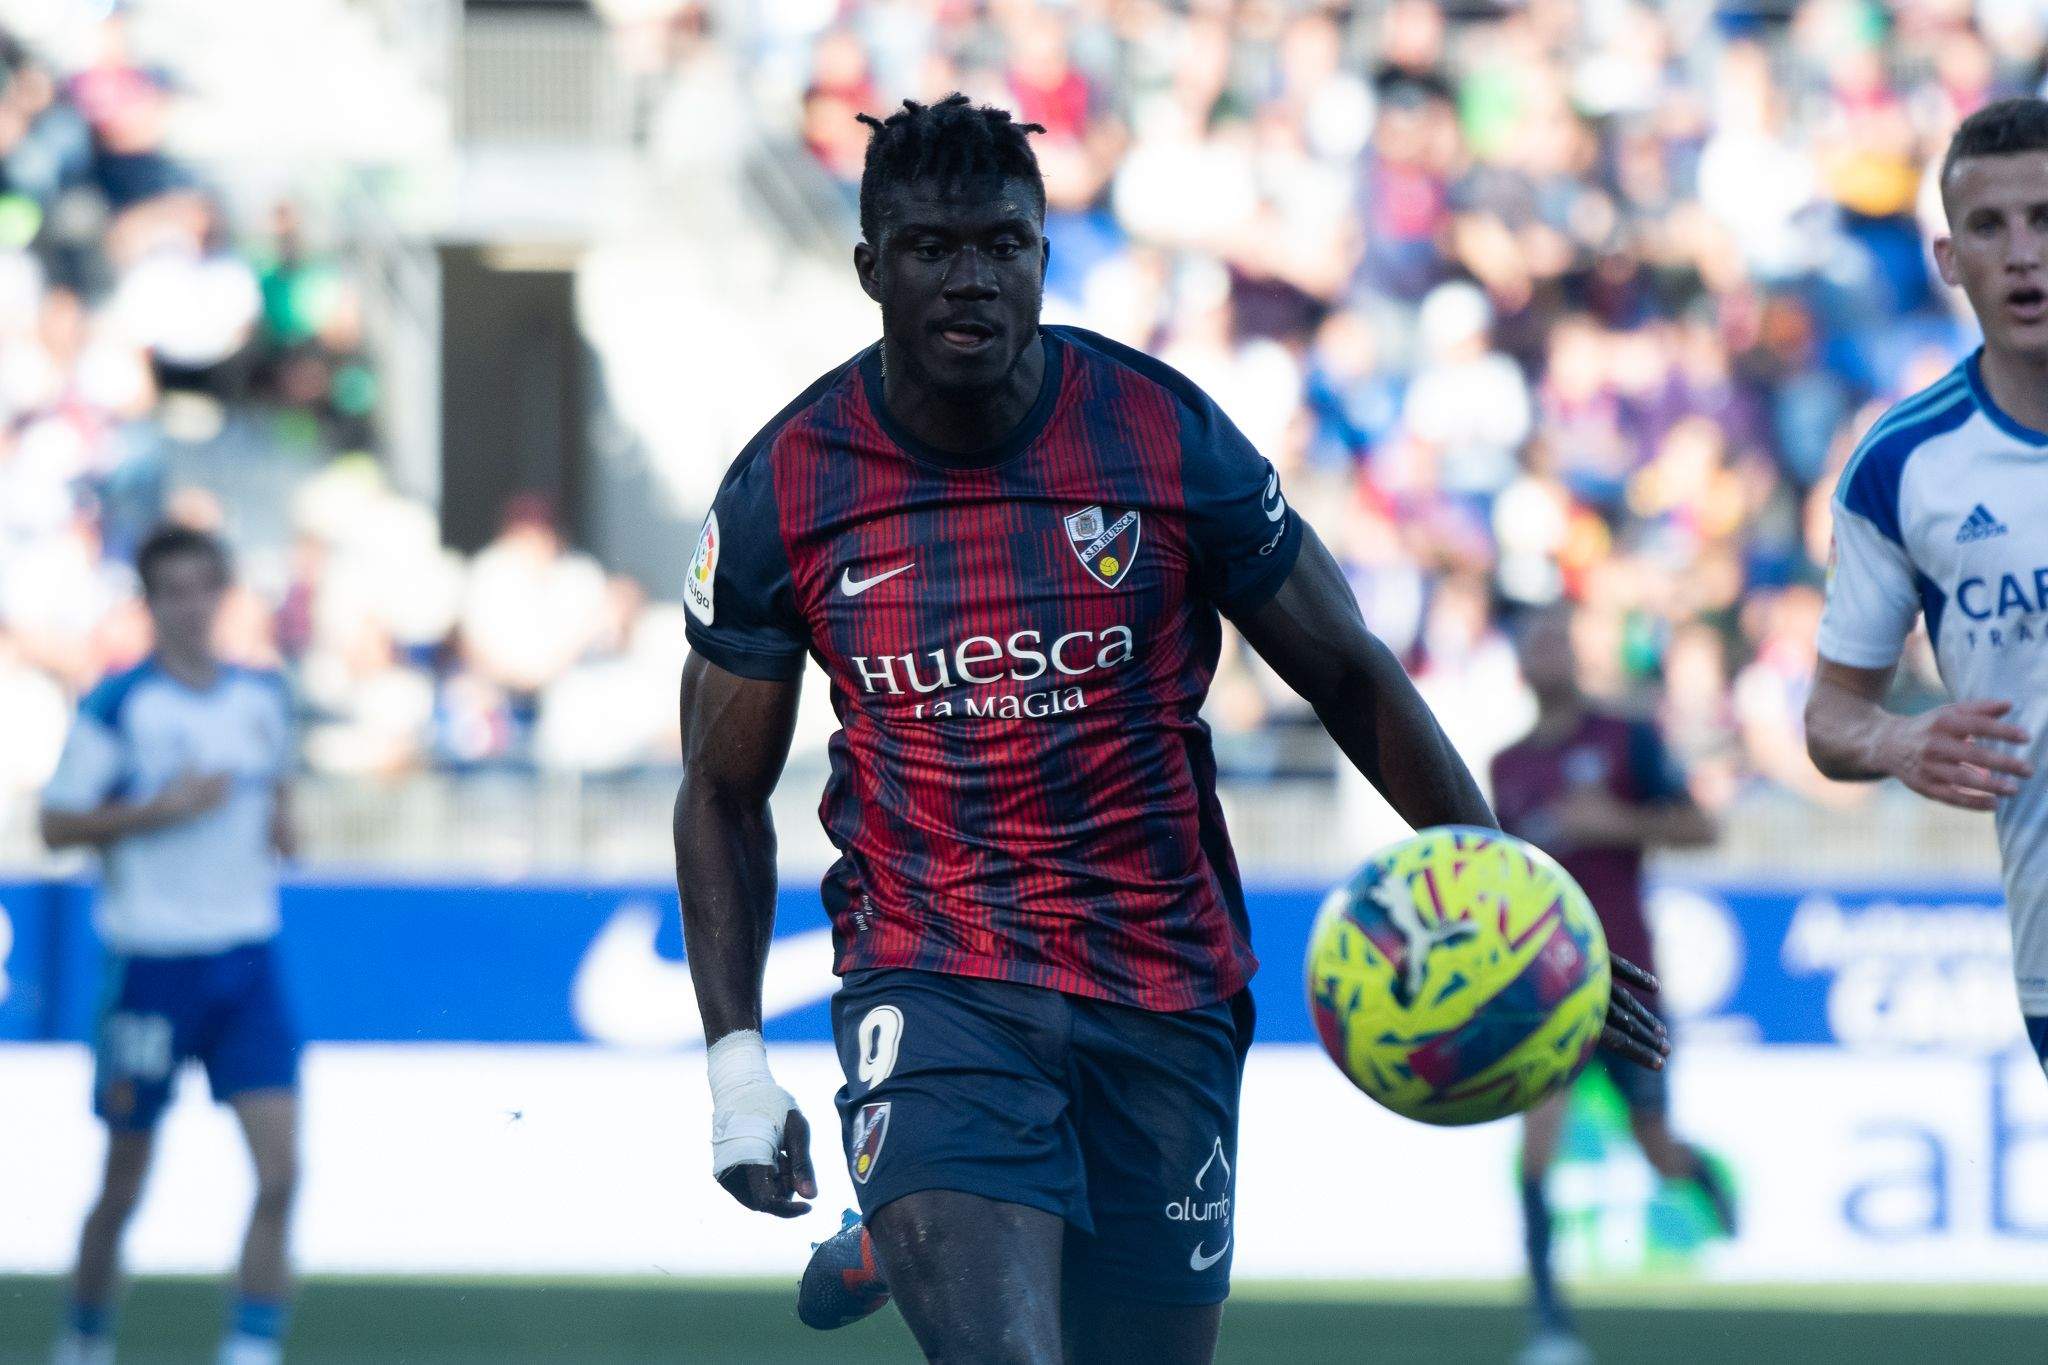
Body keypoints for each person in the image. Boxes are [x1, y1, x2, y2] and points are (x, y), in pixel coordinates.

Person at [674, 94, 1667, 1365]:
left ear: (1043, 254)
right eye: (933, 249)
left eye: (1004, 244)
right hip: (937, 978)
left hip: (1164, 986)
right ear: (869, 268)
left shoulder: (1159, 430)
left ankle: (920, 1214)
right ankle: (928, 1178)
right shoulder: (789, 486)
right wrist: (736, 1070)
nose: (972, 277)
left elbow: (1347, 670)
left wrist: (1512, 898)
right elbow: (717, 788)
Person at [1805, 98, 2048, 1069]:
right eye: (1988, 227)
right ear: (1948, 263)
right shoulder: (1899, 465)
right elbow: (1830, 712)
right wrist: (1894, 738)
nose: (2022, 253)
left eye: (2045, 220)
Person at [41, 526, 300, 1365]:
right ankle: (84, 1337)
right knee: (124, 1182)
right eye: (172, 591)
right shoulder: (120, 706)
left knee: (281, 1170)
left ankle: (249, 1347)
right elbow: (55, 822)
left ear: (221, 595)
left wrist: (283, 828)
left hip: (245, 958)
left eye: (202, 588)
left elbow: (280, 806)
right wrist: (156, 810)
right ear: (150, 604)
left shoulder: (262, 697)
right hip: (151, 962)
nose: (190, 607)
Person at [1490, 605, 1734, 1365]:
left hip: (1628, 979)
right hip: (1543, 990)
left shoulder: (1627, 738)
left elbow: (1704, 827)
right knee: (1538, 1144)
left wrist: (1615, 823)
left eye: (1559, 638)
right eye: (1536, 643)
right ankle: (1549, 1321)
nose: (1550, 651)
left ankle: (1704, 1178)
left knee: (1654, 1144)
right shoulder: (1506, 766)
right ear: (1522, 669)